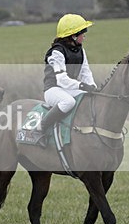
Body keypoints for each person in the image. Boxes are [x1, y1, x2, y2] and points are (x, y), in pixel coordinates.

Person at [28, 13, 97, 144]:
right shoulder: (56, 52)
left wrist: (92, 87)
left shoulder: (80, 50)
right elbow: (61, 80)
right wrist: (81, 86)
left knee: (88, 98)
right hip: (53, 90)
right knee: (68, 102)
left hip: (69, 90)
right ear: (73, 35)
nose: (84, 36)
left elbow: (85, 72)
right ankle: (39, 129)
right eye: (83, 32)